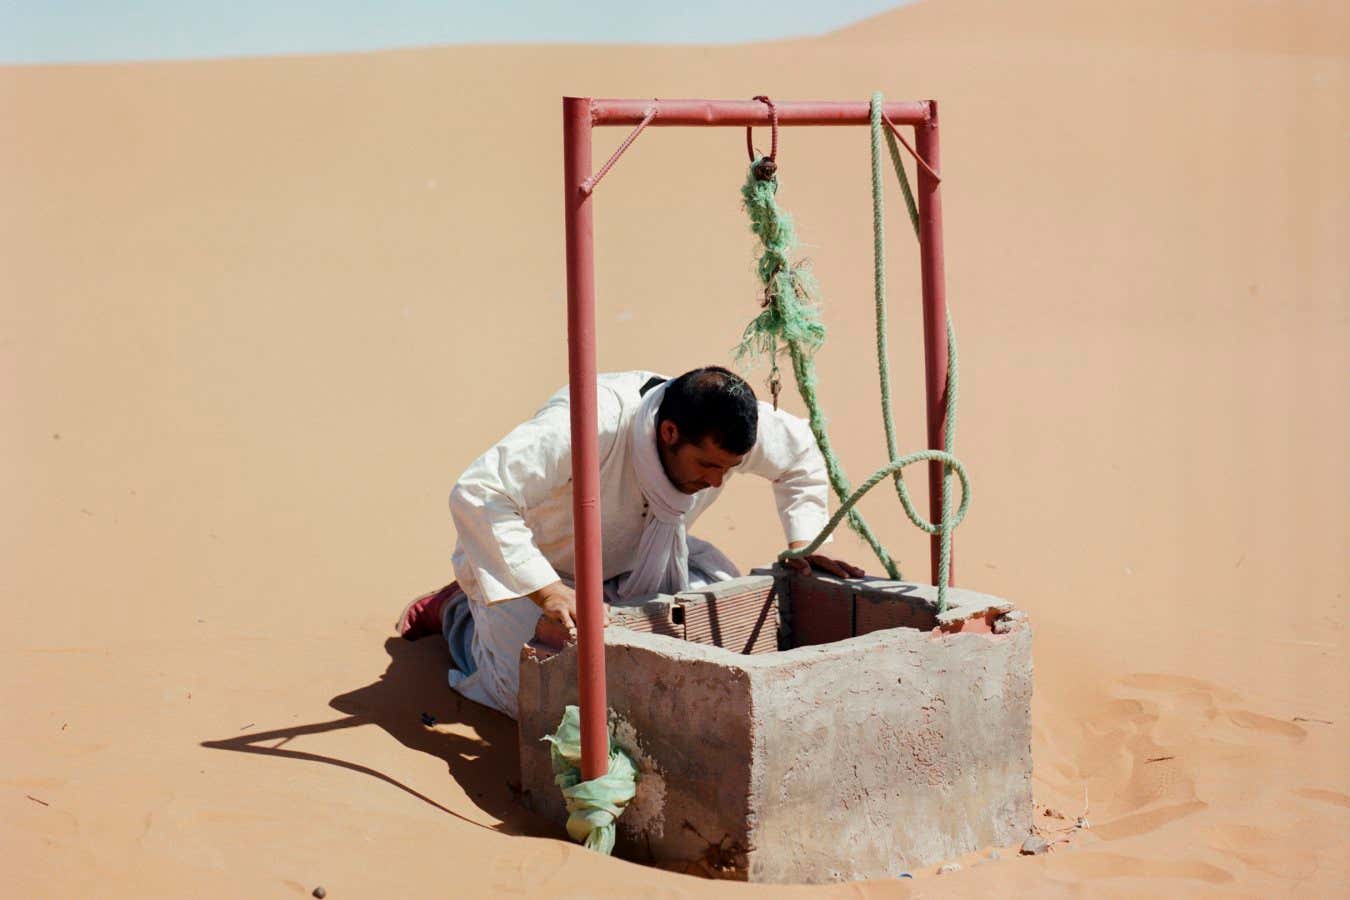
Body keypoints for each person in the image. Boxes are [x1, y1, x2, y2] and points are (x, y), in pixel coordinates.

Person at [398, 366, 863, 719]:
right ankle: (457, 612)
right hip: (540, 570)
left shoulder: (727, 428)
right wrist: (547, 591)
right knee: (538, 699)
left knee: (722, 630)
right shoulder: (588, 424)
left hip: (646, 559)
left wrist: (806, 541)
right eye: (707, 466)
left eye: (729, 468)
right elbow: (479, 493)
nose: (718, 480)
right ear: (669, 433)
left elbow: (799, 452)